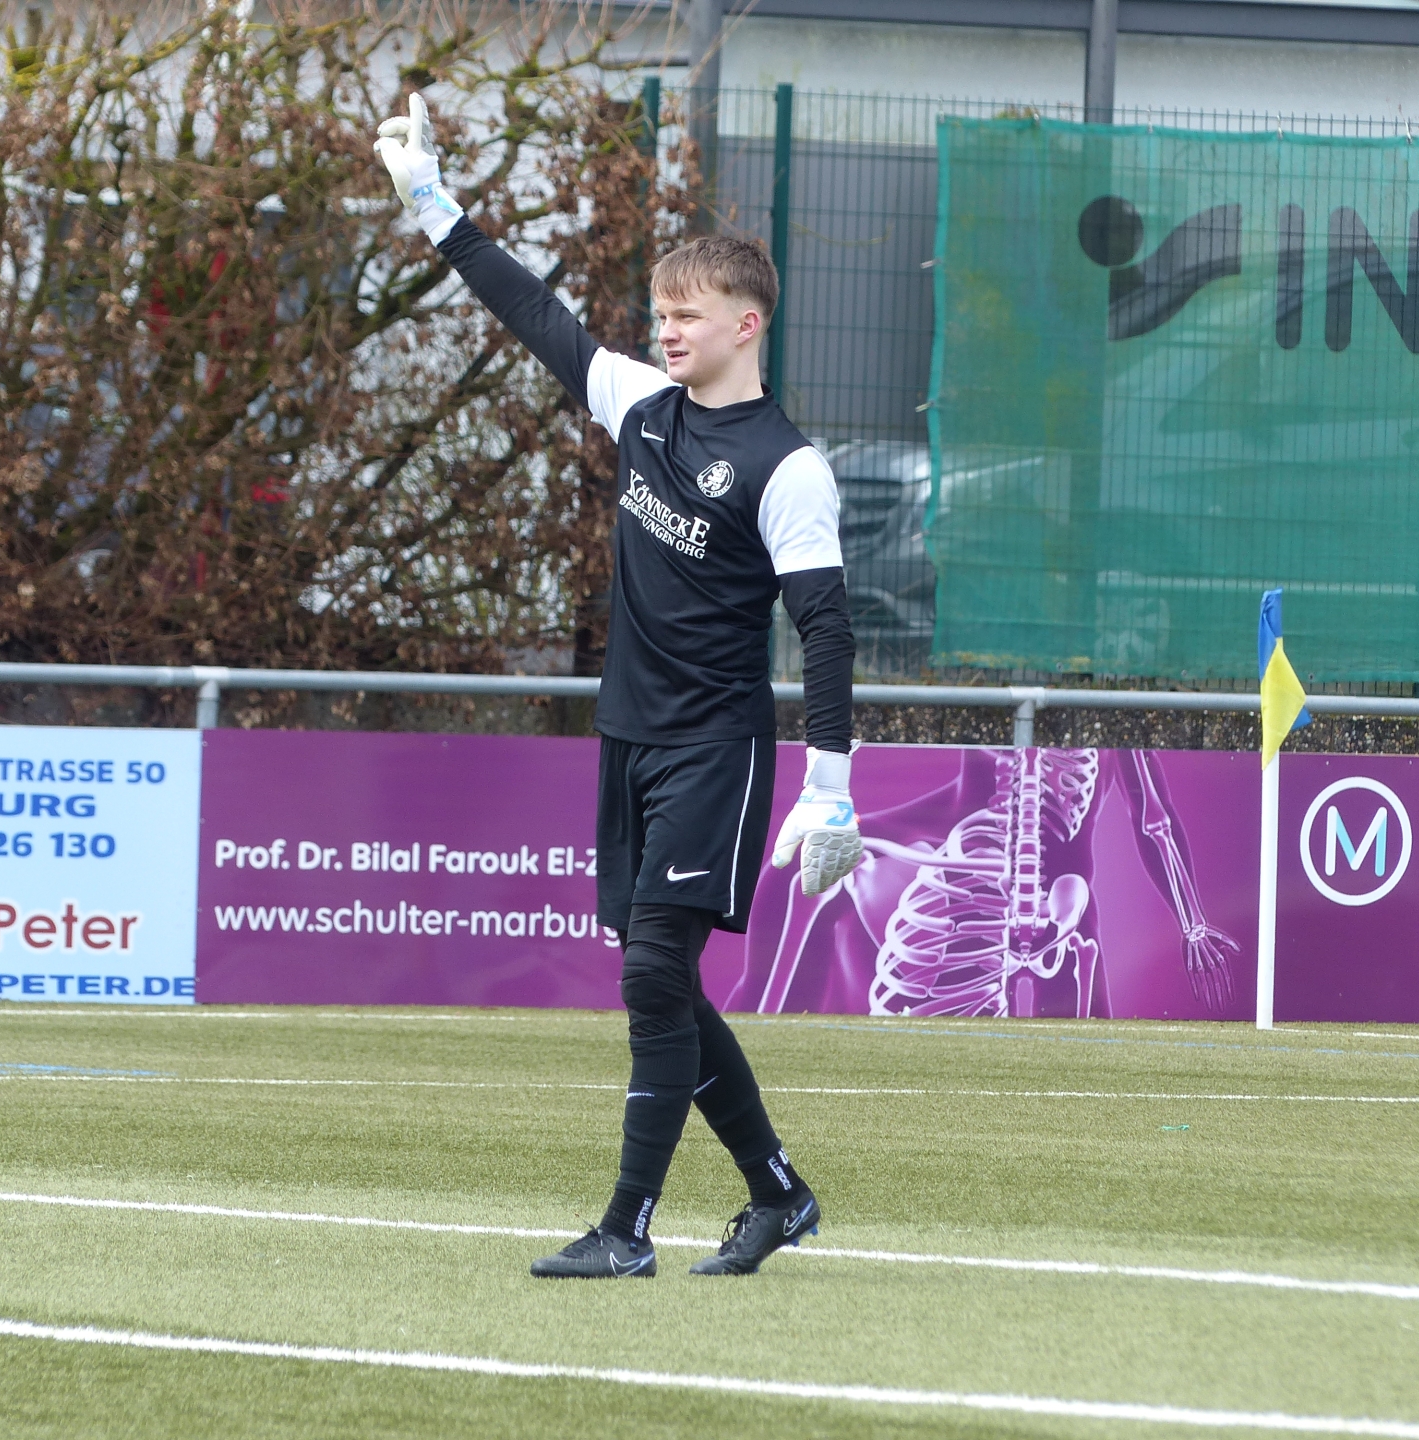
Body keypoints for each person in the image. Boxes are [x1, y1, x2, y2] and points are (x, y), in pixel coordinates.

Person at [376, 95, 862, 1279]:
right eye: (662, 313)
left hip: (715, 749)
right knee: (663, 982)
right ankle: (779, 1195)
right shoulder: (640, 407)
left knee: (652, 973)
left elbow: (826, 628)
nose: (668, 328)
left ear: (746, 322)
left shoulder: (789, 468)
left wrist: (831, 786)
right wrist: (432, 203)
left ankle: (625, 1230)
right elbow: (534, 312)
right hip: (629, 739)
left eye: (687, 313)